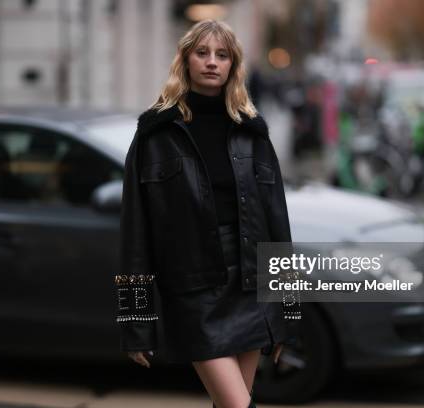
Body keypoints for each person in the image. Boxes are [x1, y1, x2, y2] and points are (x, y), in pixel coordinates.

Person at [114, 20, 300, 408]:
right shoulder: (155, 135)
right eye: (202, 53)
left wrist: (289, 314)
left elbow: (277, 225)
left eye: (222, 54)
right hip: (193, 288)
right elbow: (136, 233)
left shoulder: (252, 132)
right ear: (185, 60)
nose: (212, 62)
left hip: (251, 283)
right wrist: (136, 322)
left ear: (233, 65)